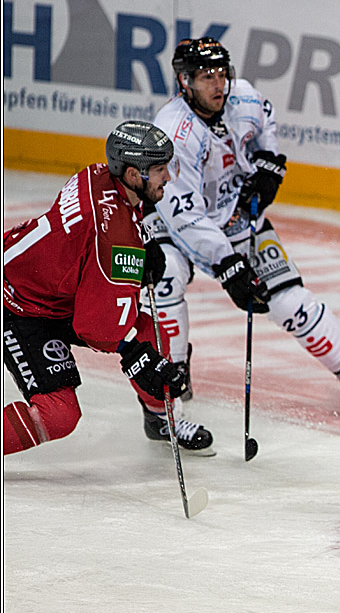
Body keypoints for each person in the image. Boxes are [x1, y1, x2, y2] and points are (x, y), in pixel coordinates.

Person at [148, 37, 340, 416]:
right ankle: (172, 376)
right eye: (207, 77)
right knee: (167, 275)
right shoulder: (174, 131)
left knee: (287, 300)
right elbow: (184, 215)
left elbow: (264, 125)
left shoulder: (245, 97)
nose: (219, 84)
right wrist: (227, 265)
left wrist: (269, 163)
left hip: (235, 214)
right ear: (185, 82)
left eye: (222, 73)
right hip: (174, 223)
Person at [3, 120, 213, 455]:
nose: (168, 177)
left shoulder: (98, 174)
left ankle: (160, 420)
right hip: (18, 304)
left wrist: (143, 245)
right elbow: (95, 327)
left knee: (149, 331)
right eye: (159, 169)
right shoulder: (116, 240)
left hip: (48, 287)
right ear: (132, 174)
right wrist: (135, 355)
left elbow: (112, 222)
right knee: (58, 415)